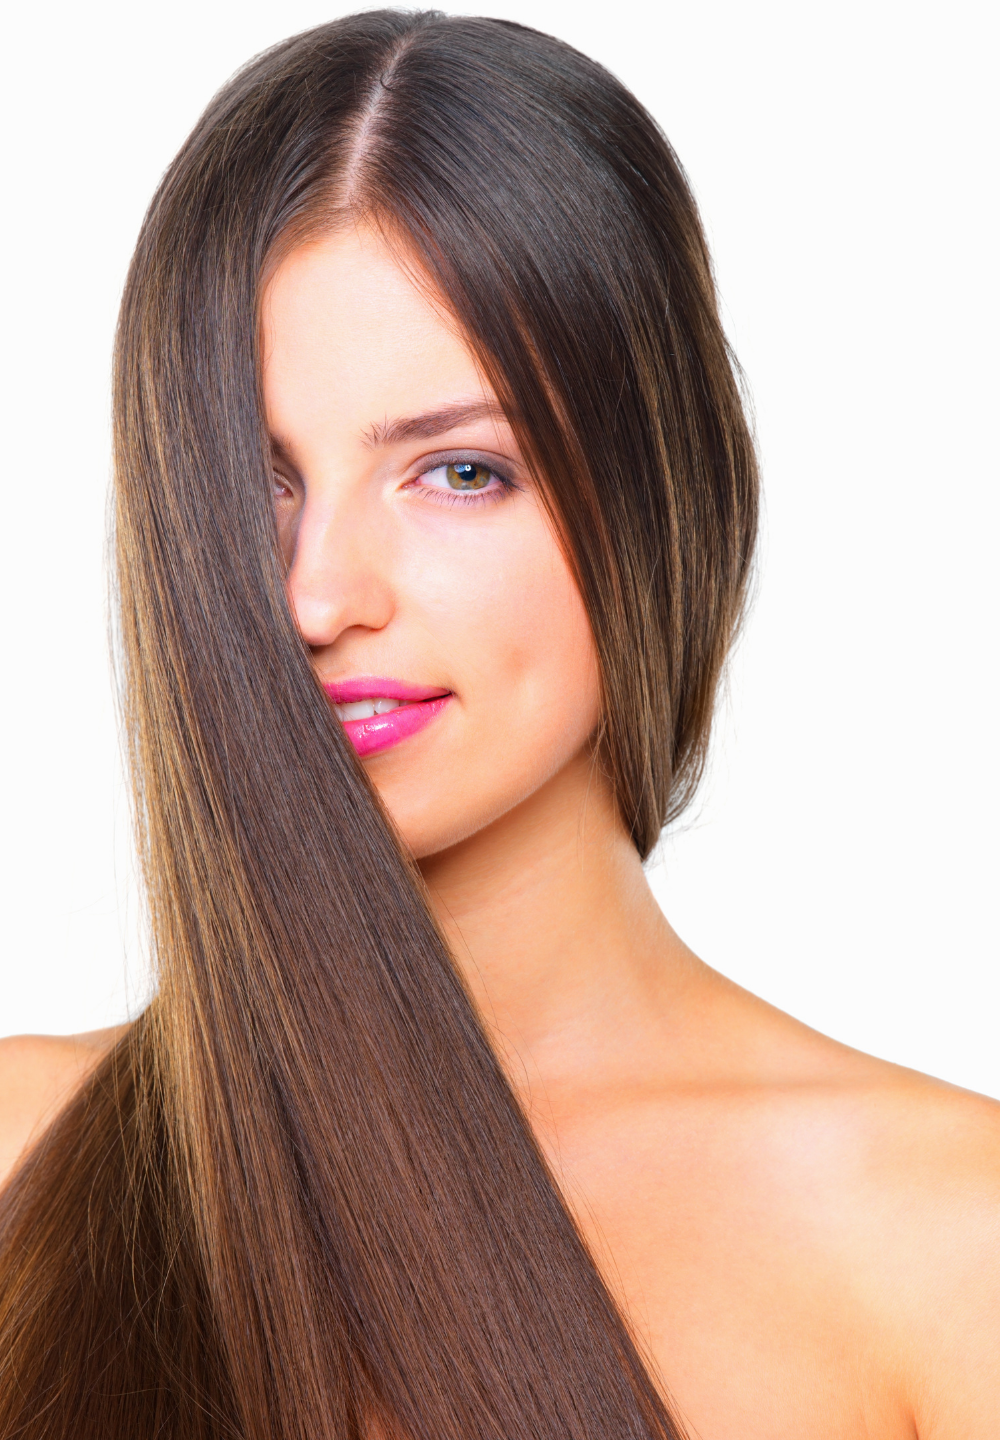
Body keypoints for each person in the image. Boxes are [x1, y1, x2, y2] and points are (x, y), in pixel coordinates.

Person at [0, 11, 997, 1438]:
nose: (319, 595)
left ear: (663, 496)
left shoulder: (944, 1243)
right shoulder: (24, 1162)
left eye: (459, 472)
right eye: (255, 481)